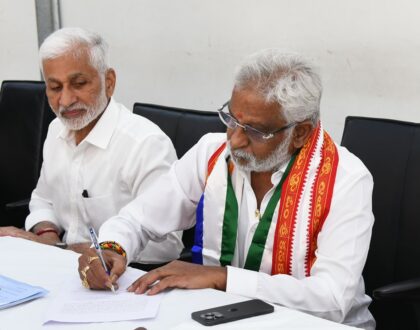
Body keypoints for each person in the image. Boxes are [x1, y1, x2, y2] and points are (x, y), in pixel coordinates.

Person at [78, 50, 375, 329]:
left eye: (256, 131)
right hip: (221, 317)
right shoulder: (212, 152)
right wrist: (110, 247)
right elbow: (139, 218)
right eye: (231, 119)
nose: (235, 140)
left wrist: (223, 278)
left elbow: (332, 299)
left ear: (299, 133)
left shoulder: (345, 179)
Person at [0, 27, 183, 264]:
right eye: (55, 87)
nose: (65, 100)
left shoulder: (145, 144)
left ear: (109, 82)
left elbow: (167, 245)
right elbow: (43, 199)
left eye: (78, 83)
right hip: (63, 266)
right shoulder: (57, 129)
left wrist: (66, 249)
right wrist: (47, 234)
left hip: (126, 279)